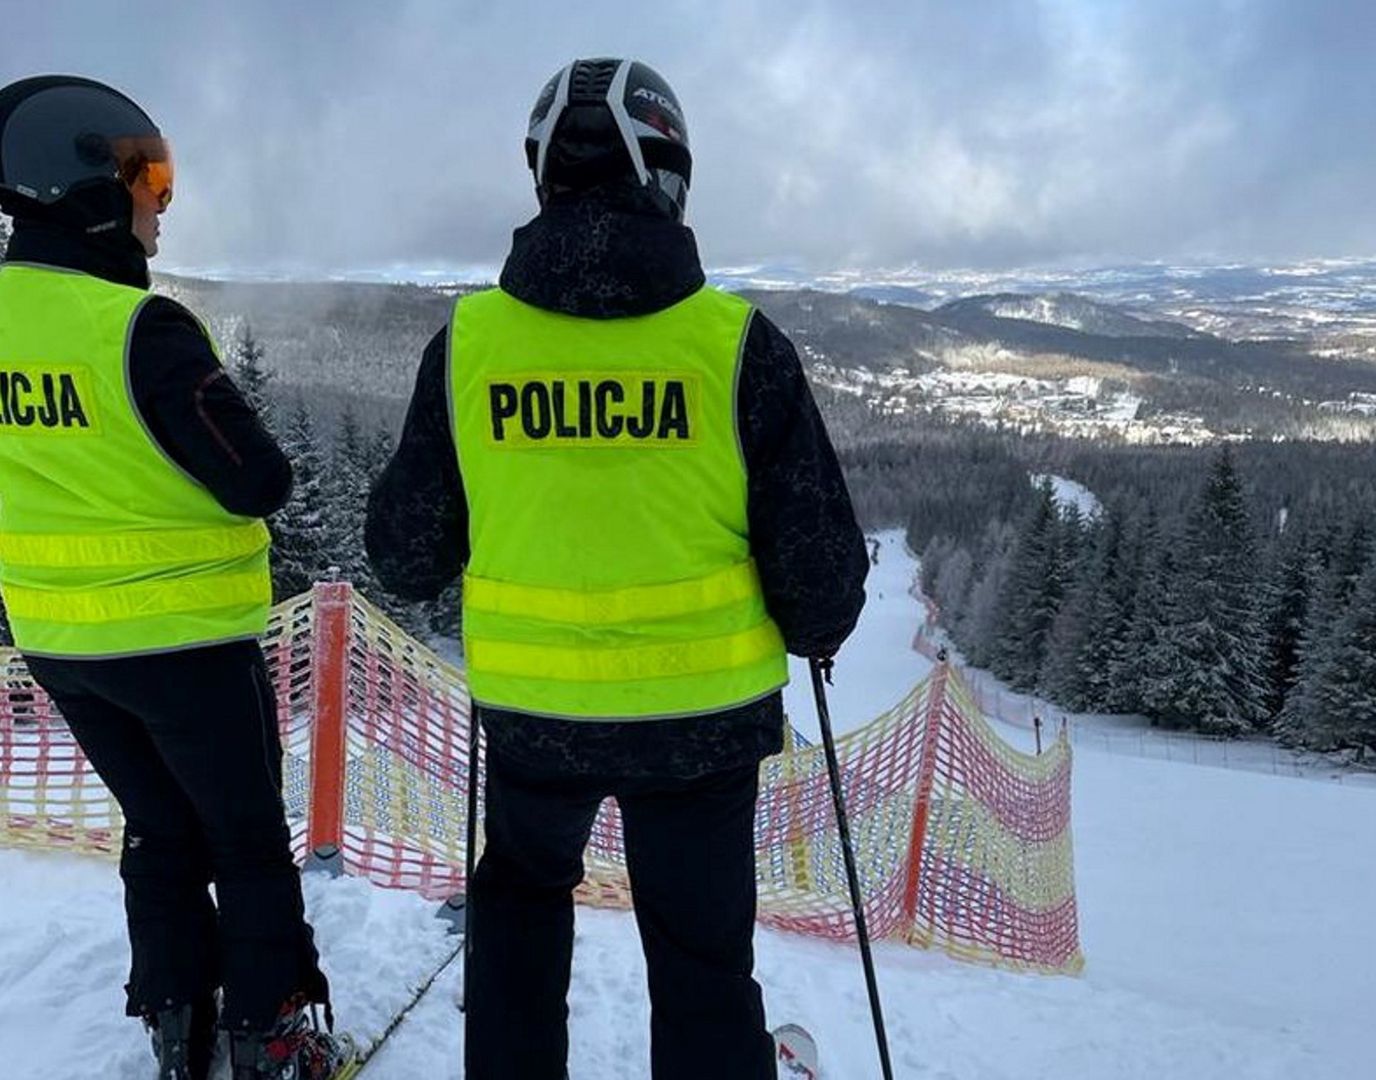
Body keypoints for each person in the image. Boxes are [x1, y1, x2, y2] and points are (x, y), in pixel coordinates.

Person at [366, 58, 868, 1079]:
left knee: (518, 912)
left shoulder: (469, 344)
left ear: (544, 175)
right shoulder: (734, 347)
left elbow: (404, 554)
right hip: (699, 722)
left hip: (531, 715)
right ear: (669, 174)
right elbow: (818, 577)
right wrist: (813, 629)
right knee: (698, 957)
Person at [0, 76, 350, 1080]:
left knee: (159, 830)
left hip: (59, 644)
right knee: (242, 843)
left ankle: (177, 1026)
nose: (163, 197)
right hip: (181, 644)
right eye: (148, 172)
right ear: (87, 189)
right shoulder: (137, 329)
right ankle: (269, 1036)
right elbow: (258, 479)